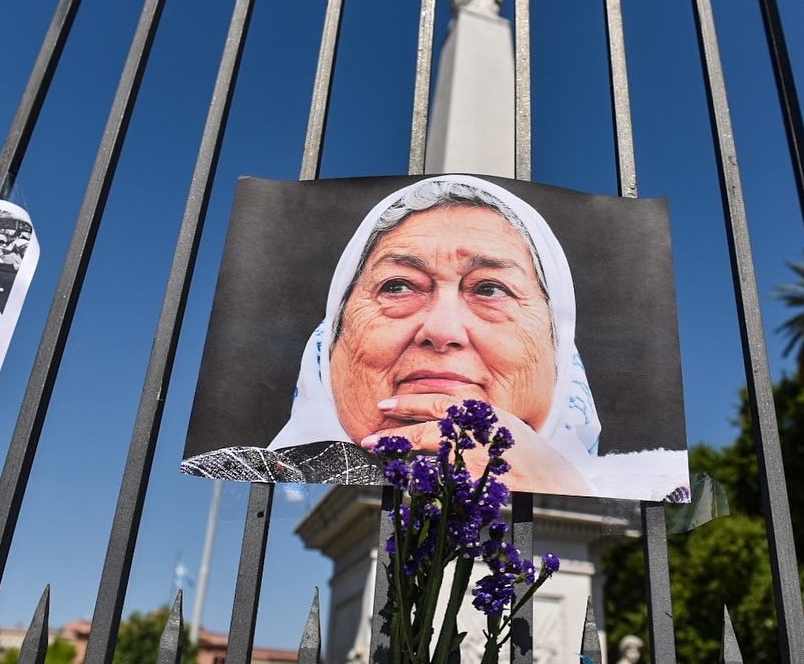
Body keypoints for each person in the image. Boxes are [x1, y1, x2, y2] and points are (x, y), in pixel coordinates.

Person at [184, 175, 603, 495]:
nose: (442, 331)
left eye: (490, 289)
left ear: (558, 353)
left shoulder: (656, 499)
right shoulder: (228, 482)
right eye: (398, 286)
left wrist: (560, 492)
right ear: (331, 341)